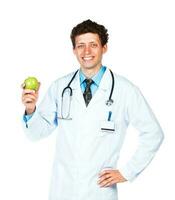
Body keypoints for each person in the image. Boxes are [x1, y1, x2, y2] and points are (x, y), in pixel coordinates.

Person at [21, 19, 164, 200]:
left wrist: (127, 172)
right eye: (80, 46)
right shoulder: (60, 87)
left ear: (104, 48)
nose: (86, 52)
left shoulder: (125, 90)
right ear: (74, 50)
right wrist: (31, 108)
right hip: (63, 190)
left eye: (93, 45)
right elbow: (36, 134)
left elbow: (153, 133)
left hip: (100, 191)